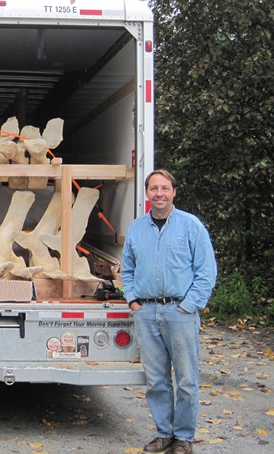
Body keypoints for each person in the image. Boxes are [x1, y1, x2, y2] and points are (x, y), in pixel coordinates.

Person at [122, 170, 217, 454]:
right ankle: (164, 434)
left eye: (165, 188)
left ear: (174, 192)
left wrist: (189, 305)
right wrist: (133, 301)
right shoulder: (137, 229)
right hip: (147, 312)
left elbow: (206, 272)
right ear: (147, 194)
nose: (159, 193)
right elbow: (127, 269)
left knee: (186, 379)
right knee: (156, 380)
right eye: (154, 188)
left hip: (180, 312)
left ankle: (184, 437)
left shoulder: (191, 226)